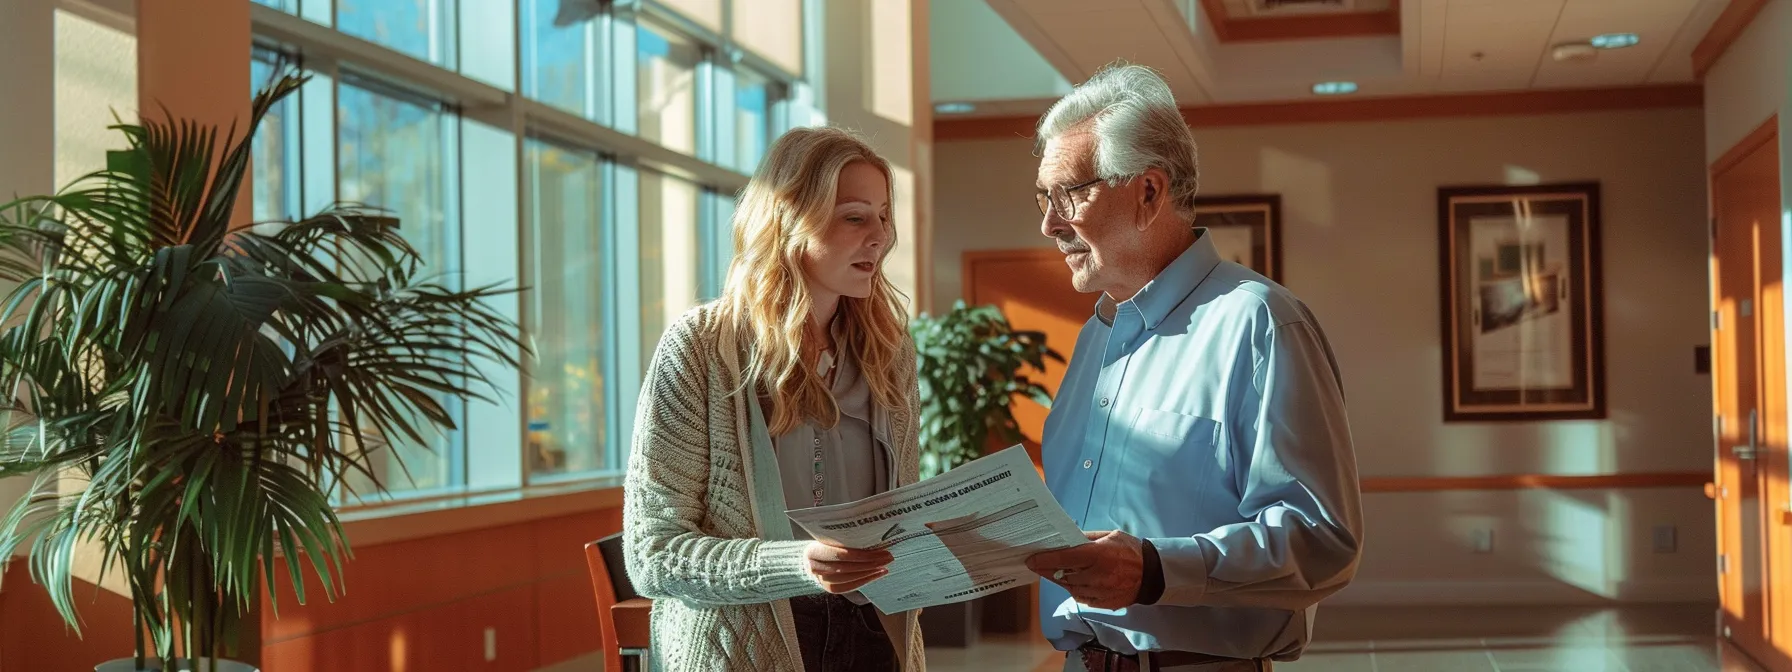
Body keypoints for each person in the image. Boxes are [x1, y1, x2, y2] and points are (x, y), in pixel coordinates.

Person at [1022, 62, 1365, 672]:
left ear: (1149, 193)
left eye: (1068, 195)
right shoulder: (1090, 344)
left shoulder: (1259, 324)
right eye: (1042, 199)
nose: (1049, 224)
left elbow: (1322, 540)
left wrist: (1157, 570)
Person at [622, 127, 925, 672]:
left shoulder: (889, 353)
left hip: (872, 635)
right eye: (855, 216)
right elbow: (655, 555)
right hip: (744, 648)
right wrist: (798, 564)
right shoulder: (700, 348)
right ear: (789, 219)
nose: (881, 236)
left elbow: (900, 519)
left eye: (884, 216)